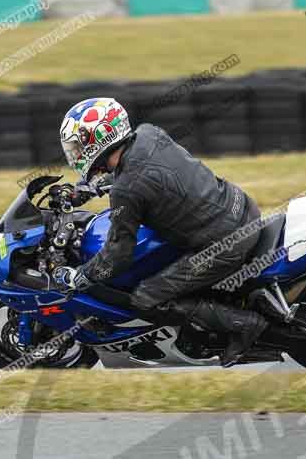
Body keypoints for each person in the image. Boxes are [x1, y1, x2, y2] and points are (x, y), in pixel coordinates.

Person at [54, 97, 268, 367]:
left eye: (78, 146)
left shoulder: (126, 190)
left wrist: (82, 276)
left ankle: (245, 325)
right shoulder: (149, 133)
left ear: (99, 138)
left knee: (146, 298)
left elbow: (118, 255)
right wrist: (96, 186)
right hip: (241, 207)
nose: (75, 153)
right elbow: (152, 175)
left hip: (223, 242)